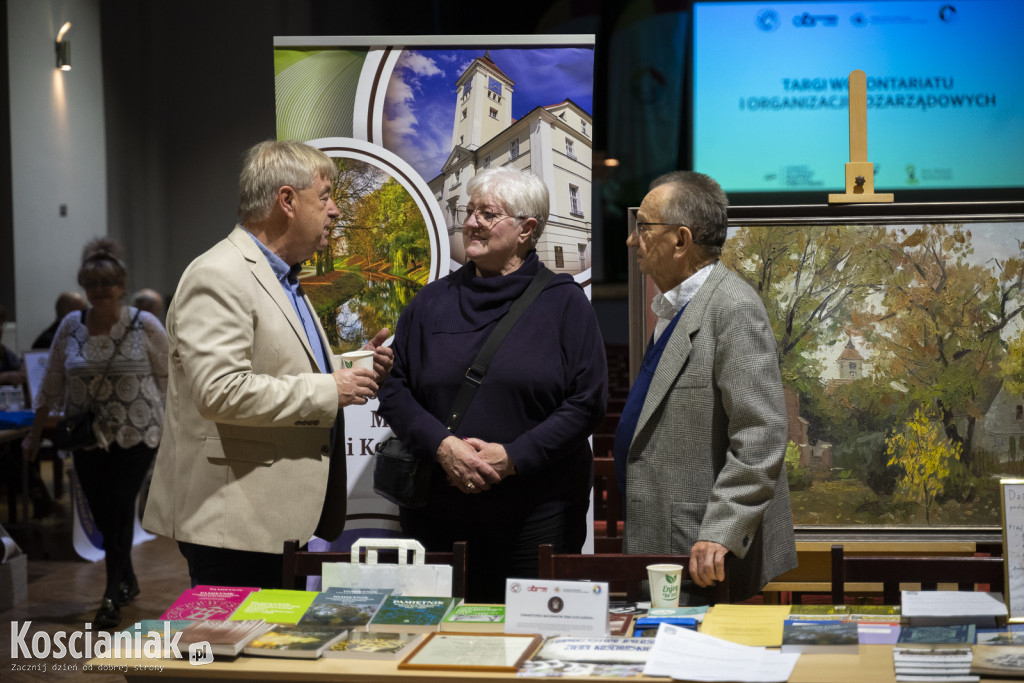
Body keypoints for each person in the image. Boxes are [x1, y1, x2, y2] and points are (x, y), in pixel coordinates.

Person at [142, 140, 393, 590]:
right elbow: (221, 391)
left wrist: (356, 366)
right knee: (239, 654)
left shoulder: (284, 277)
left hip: (269, 520)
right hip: (233, 524)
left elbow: (280, 362)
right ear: (287, 201)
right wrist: (332, 390)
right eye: (325, 197)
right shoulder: (219, 274)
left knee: (272, 652)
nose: (334, 210)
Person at [377, 167, 607, 603]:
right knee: (437, 647)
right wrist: (444, 448)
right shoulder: (430, 303)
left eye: (488, 213)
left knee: (529, 640)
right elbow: (395, 388)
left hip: (539, 514)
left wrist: (513, 457)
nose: (471, 222)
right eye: (470, 211)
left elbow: (586, 403)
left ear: (527, 229)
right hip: (436, 514)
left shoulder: (564, 303)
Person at [614, 171, 797, 604]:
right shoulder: (680, 305)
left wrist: (721, 531)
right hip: (670, 536)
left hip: (702, 548)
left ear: (681, 240)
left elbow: (762, 434)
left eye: (643, 227)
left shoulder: (733, 308)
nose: (631, 240)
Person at [21, 238, 168, 628]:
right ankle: (127, 578)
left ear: (122, 285)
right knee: (104, 516)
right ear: (85, 287)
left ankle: (109, 594)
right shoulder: (71, 326)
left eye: (108, 283)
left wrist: (178, 430)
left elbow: (169, 377)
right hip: (85, 435)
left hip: (138, 433)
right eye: (92, 284)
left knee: (120, 507)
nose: (100, 291)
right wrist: (35, 435)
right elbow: (50, 382)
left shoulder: (144, 324)